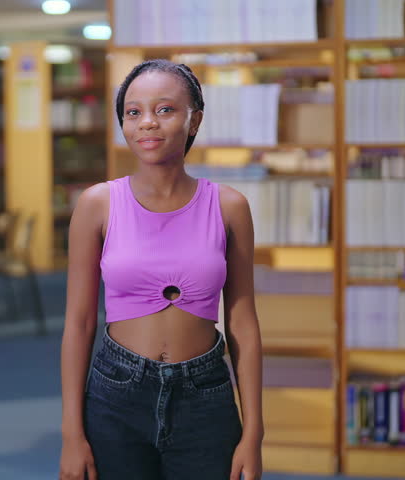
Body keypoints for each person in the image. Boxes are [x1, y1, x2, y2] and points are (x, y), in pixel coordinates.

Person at [59, 59, 263, 480]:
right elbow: (79, 323)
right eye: (133, 112)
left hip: (205, 394)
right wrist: (71, 434)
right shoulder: (97, 204)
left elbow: (242, 322)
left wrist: (254, 432)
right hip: (116, 393)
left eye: (165, 109)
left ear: (194, 121)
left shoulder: (230, 207)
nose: (147, 123)